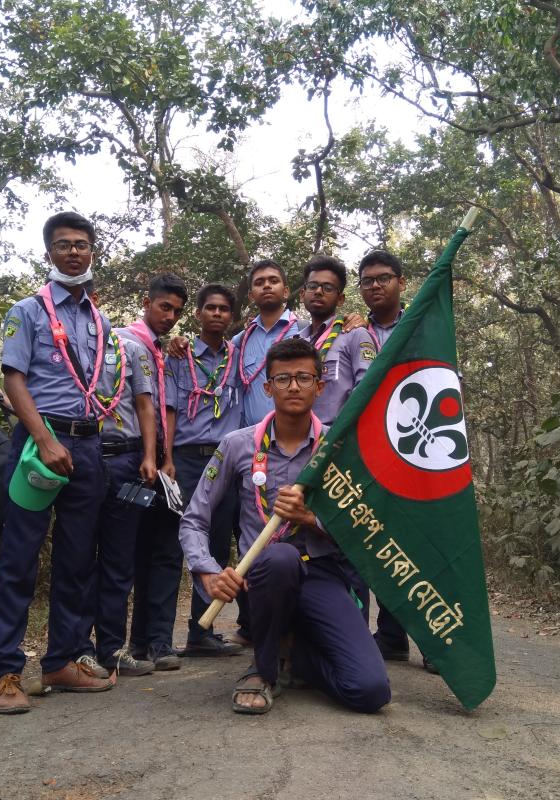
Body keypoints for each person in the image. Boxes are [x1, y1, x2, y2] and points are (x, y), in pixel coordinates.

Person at [178, 338, 391, 715]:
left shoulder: (338, 449)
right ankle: (263, 668)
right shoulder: (238, 445)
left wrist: (311, 519)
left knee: (369, 690)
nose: (294, 386)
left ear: (320, 386)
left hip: (323, 573)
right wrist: (208, 572)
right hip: (261, 578)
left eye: (304, 378)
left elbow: (366, 528)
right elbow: (194, 519)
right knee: (278, 558)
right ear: (267, 387)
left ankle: (296, 655)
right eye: (283, 379)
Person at [0, 211, 114, 714]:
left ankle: (62, 660)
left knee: (78, 560)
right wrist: (42, 438)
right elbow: (14, 378)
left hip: (88, 446)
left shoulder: (98, 319)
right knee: (19, 558)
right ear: (49, 252)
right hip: (41, 444)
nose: (73, 252)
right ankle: (6, 674)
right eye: (63, 245)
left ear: (91, 252)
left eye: (82, 245)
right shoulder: (29, 310)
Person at [357, 250, 435, 675]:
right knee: (380, 544)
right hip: (370, 454)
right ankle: (390, 636)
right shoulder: (352, 332)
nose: (374, 286)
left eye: (383, 278)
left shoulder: (425, 326)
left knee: (420, 546)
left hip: (417, 451)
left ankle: (434, 641)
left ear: (401, 282)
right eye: (367, 280)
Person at [78, 309, 160, 679]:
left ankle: (112, 648)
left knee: (118, 558)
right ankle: (78, 649)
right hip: (84, 460)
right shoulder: (72, 352)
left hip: (126, 462)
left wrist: (149, 455)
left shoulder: (131, 349)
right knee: (79, 557)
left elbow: (145, 404)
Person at [165, 284, 244, 657]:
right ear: (197, 313)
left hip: (224, 460)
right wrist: (166, 458)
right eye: (210, 308)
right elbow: (168, 410)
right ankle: (160, 639)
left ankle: (202, 632)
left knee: (216, 543)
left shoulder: (239, 356)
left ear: (231, 317)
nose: (217, 314)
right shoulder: (179, 355)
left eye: (224, 309)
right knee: (171, 544)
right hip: (185, 456)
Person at [124, 274, 189, 671]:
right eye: (164, 307)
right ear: (146, 302)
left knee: (166, 551)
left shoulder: (166, 352)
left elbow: (168, 408)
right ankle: (131, 642)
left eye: (177, 312)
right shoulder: (125, 341)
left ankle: (160, 641)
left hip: (163, 464)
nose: (170, 316)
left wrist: (166, 457)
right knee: (132, 553)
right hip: (128, 457)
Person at [297, 254, 377, 424]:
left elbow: (367, 388)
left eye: (328, 287)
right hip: (299, 440)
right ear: (303, 294)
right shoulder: (296, 342)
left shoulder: (354, 334)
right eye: (313, 286)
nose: (318, 291)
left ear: (340, 299)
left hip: (337, 439)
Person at [232, 259, 303, 426]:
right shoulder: (240, 341)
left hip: (296, 438)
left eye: (273, 281)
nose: (266, 286)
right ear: (251, 296)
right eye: (259, 282)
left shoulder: (305, 332)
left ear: (285, 291)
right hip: (251, 440)